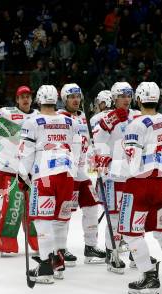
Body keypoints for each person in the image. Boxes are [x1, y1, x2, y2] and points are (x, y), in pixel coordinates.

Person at [120, 82, 162, 294]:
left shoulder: (136, 125)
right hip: (161, 182)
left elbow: (132, 162)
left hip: (140, 183)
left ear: (138, 100)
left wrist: (107, 162)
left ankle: (149, 277)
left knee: (131, 233)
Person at [18, 85, 82, 283]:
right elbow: (78, 149)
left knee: (41, 219)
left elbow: (25, 152)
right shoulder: (70, 121)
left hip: (45, 175)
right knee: (61, 220)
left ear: (38, 100)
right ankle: (58, 262)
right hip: (67, 175)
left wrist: (22, 176)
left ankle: (45, 266)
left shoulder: (32, 121)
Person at [92, 81, 140, 274]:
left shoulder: (137, 115)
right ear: (113, 98)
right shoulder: (103, 117)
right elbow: (96, 141)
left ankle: (135, 253)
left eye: (129, 94)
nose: (126, 99)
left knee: (133, 216)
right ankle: (112, 254)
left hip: (133, 175)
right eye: (122, 95)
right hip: (112, 177)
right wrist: (109, 122)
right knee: (113, 218)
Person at [0, 86, 39, 255]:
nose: (25, 99)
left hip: (30, 171)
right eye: (22, 96)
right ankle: (5, 241)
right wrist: (11, 130)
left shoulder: (38, 116)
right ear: (17, 99)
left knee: (33, 207)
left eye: (28, 96)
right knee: (10, 206)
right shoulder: (5, 112)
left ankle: (37, 241)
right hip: (7, 168)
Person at [57, 83, 107, 266]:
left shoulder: (82, 117)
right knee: (65, 213)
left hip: (81, 173)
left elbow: (88, 142)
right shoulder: (59, 118)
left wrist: (95, 159)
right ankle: (60, 249)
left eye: (78, 96)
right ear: (64, 100)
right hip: (67, 173)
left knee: (92, 205)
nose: (76, 100)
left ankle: (90, 247)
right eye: (72, 97)